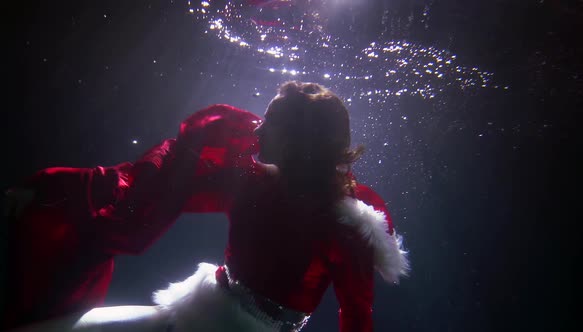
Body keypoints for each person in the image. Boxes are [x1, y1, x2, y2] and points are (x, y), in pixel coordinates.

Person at [10, 81, 409, 332]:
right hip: (194, 309)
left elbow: (357, 316)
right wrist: (50, 189)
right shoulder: (248, 181)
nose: (256, 127)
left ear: (297, 138)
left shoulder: (345, 222)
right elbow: (146, 184)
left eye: (269, 120)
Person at [2, 106, 261, 330]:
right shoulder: (163, 166)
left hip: (84, 252)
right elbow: (112, 181)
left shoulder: (213, 177)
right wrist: (41, 185)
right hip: (70, 239)